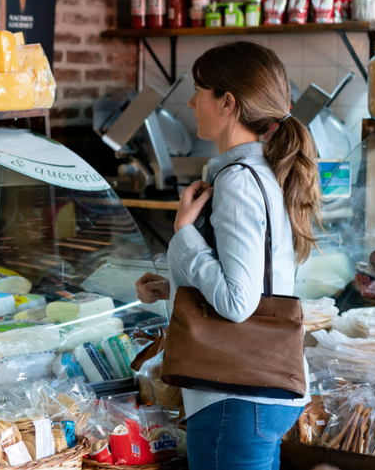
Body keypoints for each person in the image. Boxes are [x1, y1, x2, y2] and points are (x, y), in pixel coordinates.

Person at [135, 41, 320, 470]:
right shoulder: (259, 173)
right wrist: (173, 283)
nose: (191, 102)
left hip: (234, 399)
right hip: (255, 395)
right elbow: (258, 280)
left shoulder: (237, 183)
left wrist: (183, 234)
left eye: (200, 90)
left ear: (228, 103)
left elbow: (239, 303)